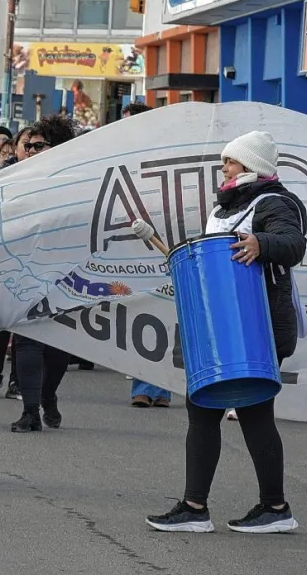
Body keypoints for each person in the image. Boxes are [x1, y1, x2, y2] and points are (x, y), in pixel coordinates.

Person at [147, 130, 306, 534]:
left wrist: (261, 242)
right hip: (223, 325)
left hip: (256, 325)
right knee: (223, 412)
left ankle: (209, 508)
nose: (224, 168)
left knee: (231, 412)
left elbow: (293, 243)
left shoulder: (274, 201)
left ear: (252, 166)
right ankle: (258, 507)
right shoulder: (230, 204)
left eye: (231, 162)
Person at [9, 116, 78, 432]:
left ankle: (48, 395)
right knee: (26, 340)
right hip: (23, 271)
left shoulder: (73, 179)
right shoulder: (8, 180)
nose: (32, 151)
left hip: (64, 271)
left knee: (59, 345)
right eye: (27, 146)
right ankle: (30, 410)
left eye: (39, 145)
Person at [121, 102, 171, 407]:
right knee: (139, 317)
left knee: (163, 316)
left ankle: (161, 387)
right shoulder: (119, 159)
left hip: (165, 246)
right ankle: (142, 383)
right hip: (130, 249)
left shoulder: (164, 158)